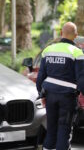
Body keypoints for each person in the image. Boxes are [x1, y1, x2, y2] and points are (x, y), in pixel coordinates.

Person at [36, 22, 84, 150]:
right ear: (75, 35)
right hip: (67, 97)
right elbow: (81, 79)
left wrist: (41, 95)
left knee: (51, 129)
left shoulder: (48, 50)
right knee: (64, 129)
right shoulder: (77, 52)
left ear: (61, 33)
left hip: (50, 96)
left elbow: (40, 77)